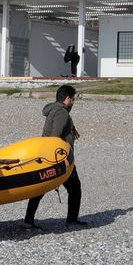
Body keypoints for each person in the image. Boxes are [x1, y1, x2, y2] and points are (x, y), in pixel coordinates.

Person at [24, 84, 86, 229]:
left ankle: (28, 220)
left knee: (40, 189)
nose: (73, 102)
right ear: (67, 98)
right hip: (58, 159)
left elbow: (58, 126)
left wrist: (72, 129)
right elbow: (55, 136)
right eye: (73, 99)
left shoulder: (55, 110)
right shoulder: (62, 113)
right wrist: (59, 160)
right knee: (75, 188)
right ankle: (71, 220)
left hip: (46, 156)